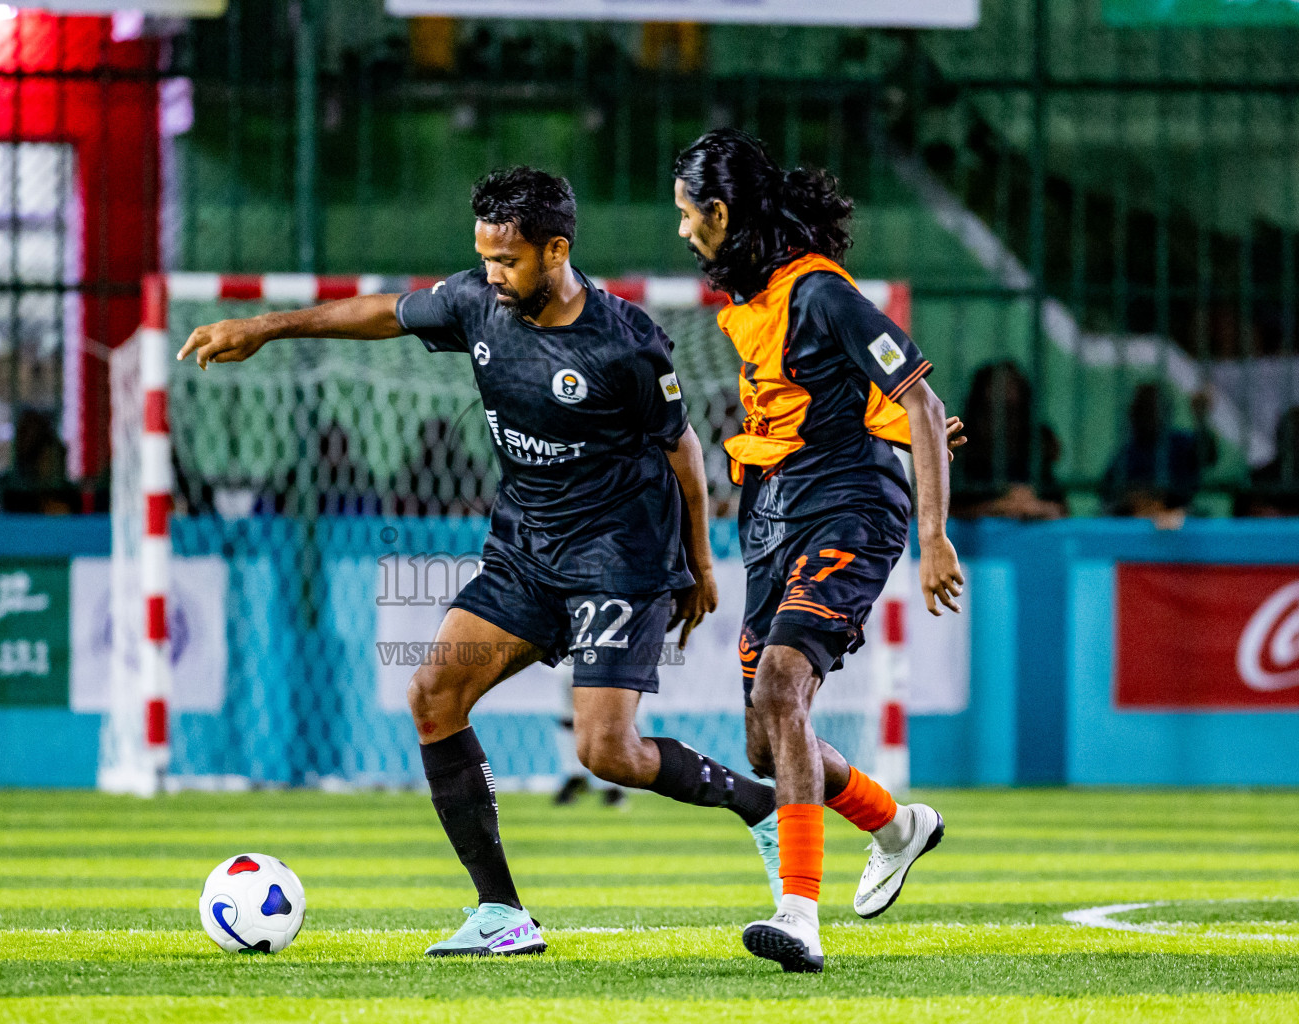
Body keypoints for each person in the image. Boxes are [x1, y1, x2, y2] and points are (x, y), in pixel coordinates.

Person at [180, 166, 781, 959]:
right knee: (433, 693)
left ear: (556, 250)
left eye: (508, 261)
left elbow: (684, 448)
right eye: (485, 258)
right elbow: (381, 313)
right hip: (525, 552)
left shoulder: (625, 342)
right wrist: (267, 327)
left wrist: (701, 565)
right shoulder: (475, 301)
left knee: (606, 752)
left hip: (618, 558)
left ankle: (760, 808)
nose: (491, 277)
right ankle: (501, 913)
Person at [673, 129, 964, 973]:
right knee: (767, 739)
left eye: (690, 216)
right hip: (773, 518)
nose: (684, 232)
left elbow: (919, 399)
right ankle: (897, 825)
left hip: (852, 508)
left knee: (780, 687)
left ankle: (797, 913)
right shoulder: (750, 302)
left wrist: (934, 537)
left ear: (723, 214)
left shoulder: (822, 294)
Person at [952, 361, 1065, 520]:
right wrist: (1000, 507)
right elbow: (938, 514)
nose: (1002, 424)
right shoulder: (959, 456)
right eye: (992, 411)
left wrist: (1040, 508)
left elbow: (1062, 511)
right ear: (976, 414)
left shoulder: (1035, 454)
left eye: (1011, 411)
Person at [1099, 382, 1212, 529]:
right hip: (1136, 527)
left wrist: (1200, 419)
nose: (1147, 416)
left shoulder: (1180, 443)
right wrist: (1139, 500)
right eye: (1142, 408)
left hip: (1178, 524)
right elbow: (1108, 492)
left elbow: (1208, 456)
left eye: (1151, 409)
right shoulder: (1125, 453)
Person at [1239, 406, 1299, 517]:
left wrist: (1281, 514)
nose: (1290, 440)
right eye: (1286, 432)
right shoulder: (1259, 478)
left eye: (1295, 434)